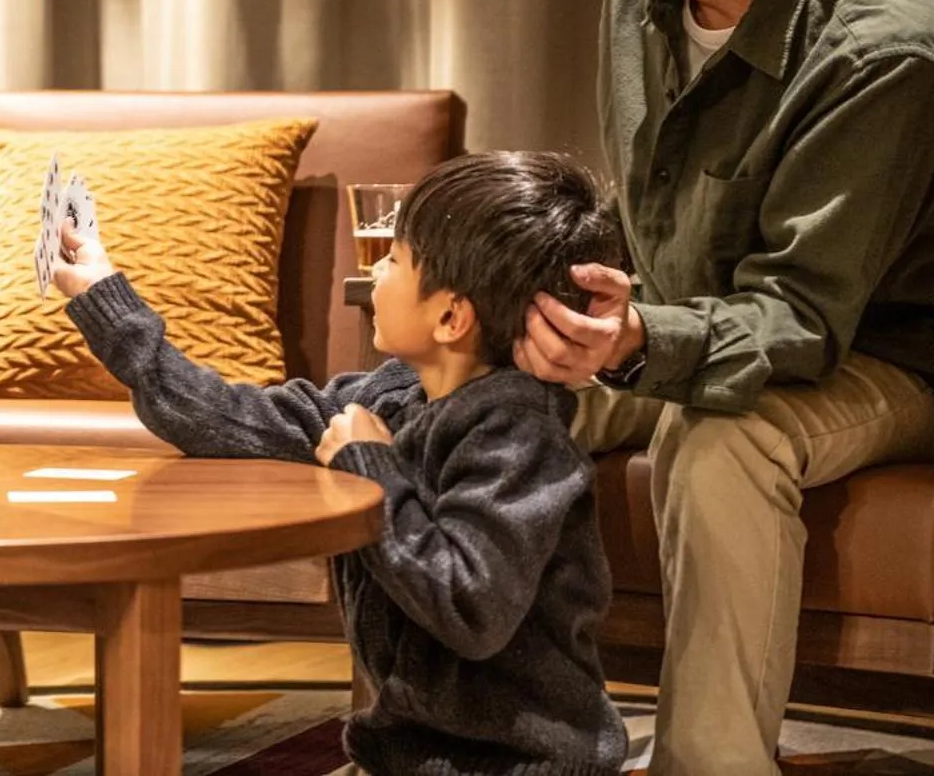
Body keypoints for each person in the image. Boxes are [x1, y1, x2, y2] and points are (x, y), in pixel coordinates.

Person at [510, 0, 934, 776]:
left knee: (718, 441)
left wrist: (638, 339)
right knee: (479, 386)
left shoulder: (880, 50)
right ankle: (484, 733)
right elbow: (647, 212)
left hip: (874, 354)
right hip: (681, 320)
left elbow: (801, 318)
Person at [52, 151, 630, 776]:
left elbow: (469, 606)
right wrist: (106, 300)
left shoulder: (519, 437)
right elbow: (229, 419)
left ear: (450, 317)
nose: (375, 269)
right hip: (409, 755)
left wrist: (369, 467)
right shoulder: (393, 395)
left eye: (395, 259)